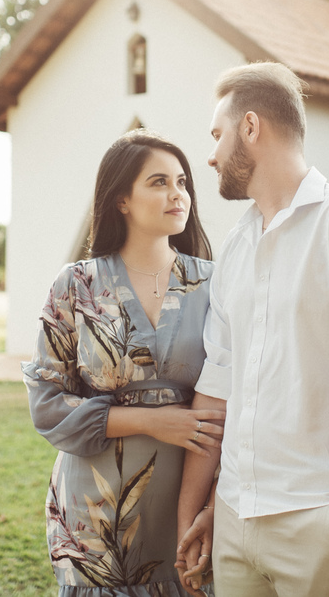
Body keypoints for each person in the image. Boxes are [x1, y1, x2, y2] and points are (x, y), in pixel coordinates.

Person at [176, 62, 329, 597]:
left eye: (218, 134)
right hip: (236, 524)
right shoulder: (236, 249)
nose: (211, 155)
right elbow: (218, 391)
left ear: (251, 127)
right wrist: (204, 511)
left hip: (322, 520)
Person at [23, 129, 225, 596]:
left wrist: (215, 497)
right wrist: (153, 423)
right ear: (121, 201)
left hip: (188, 499)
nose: (177, 194)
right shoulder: (75, 286)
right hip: (93, 511)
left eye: (182, 182)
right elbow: (47, 406)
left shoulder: (217, 285)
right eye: (158, 182)